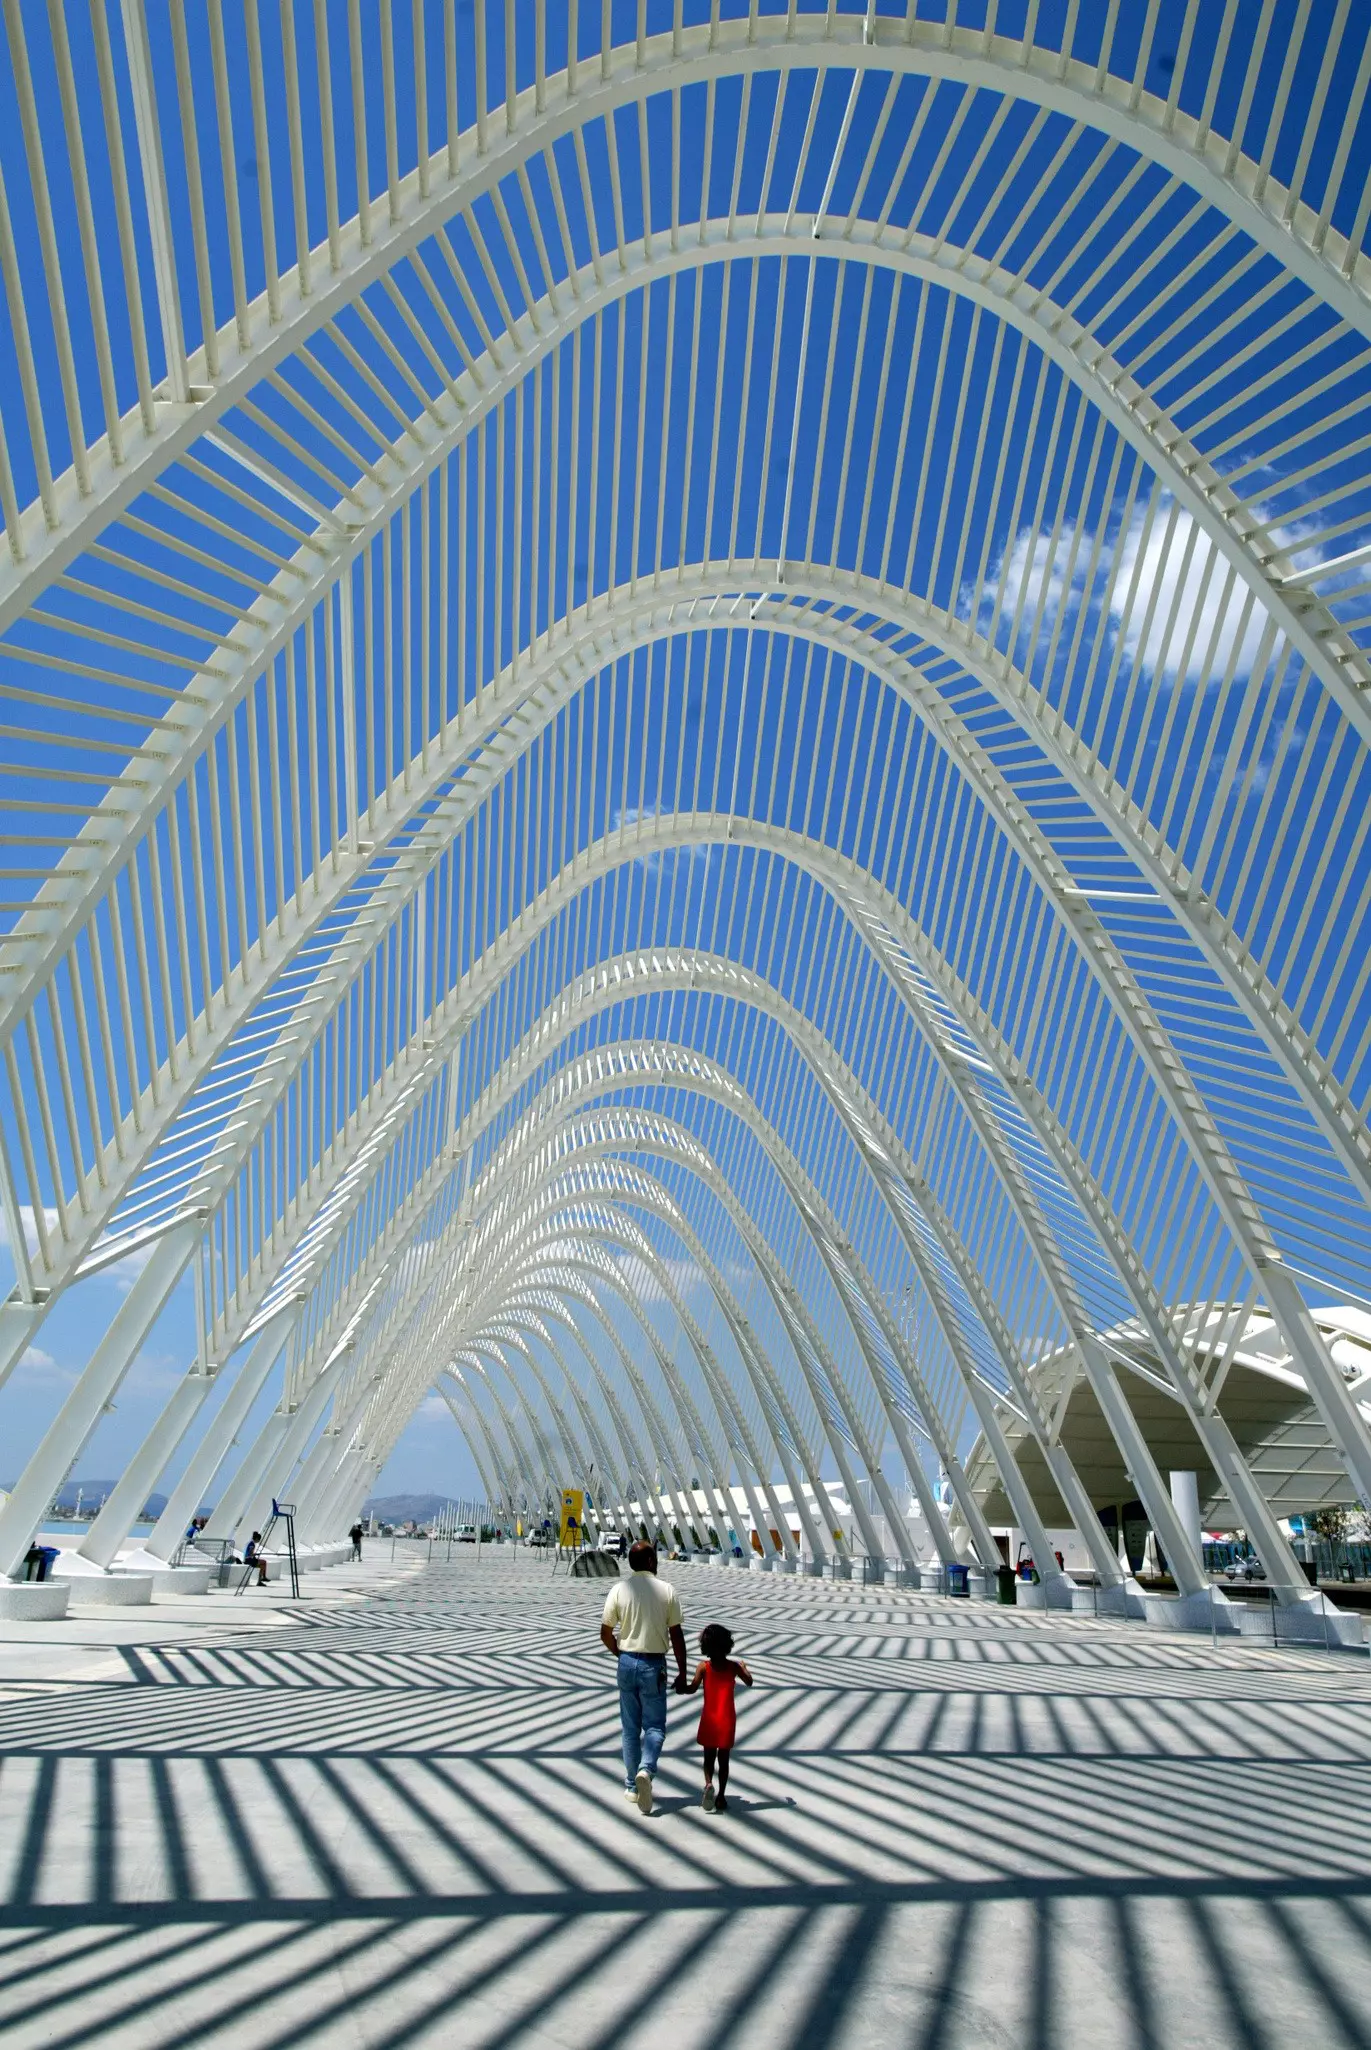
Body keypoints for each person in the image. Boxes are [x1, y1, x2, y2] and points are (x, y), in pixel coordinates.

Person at [600, 1539, 687, 1814]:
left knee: (629, 1727)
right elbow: (676, 1635)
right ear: (650, 1561)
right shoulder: (667, 1591)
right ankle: (646, 1770)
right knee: (655, 1726)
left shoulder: (619, 1590)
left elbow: (605, 1632)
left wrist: (621, 1655)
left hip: (626, 1661)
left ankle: (630, 1785)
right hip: (654, 1664)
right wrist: (683, 1671)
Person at [686, 1622, 752, 1812]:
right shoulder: (733, 1667)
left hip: (709, 1719)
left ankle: (708, 1784)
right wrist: (744, 1667)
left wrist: (681, 1686)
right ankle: (721, 1796)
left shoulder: (704, 1667)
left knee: (708, 1757)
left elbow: (692, 1688)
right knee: (724, 1760)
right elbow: (749, 1681)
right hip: (727, 1720)